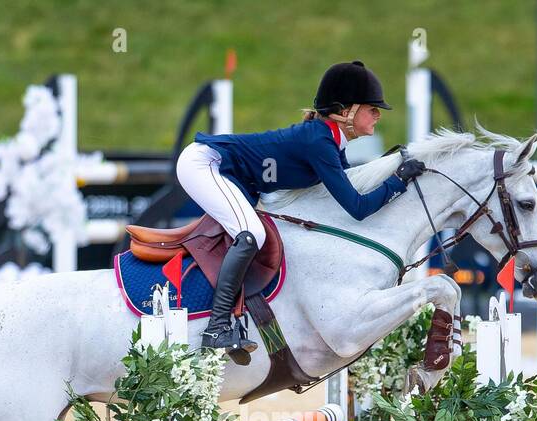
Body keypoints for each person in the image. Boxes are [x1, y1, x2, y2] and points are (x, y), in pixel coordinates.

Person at [176, 60, 427, 363]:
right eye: (372, 108)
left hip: (234, 177)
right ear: (346, 110)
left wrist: (386, 172)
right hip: (206, 164)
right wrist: (398, 181)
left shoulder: (329, 141)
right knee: (251, 233)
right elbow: (357, 208)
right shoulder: (319, 141)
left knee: (258, 232)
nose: (378, 115)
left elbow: (346, 192)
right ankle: (216, 328)